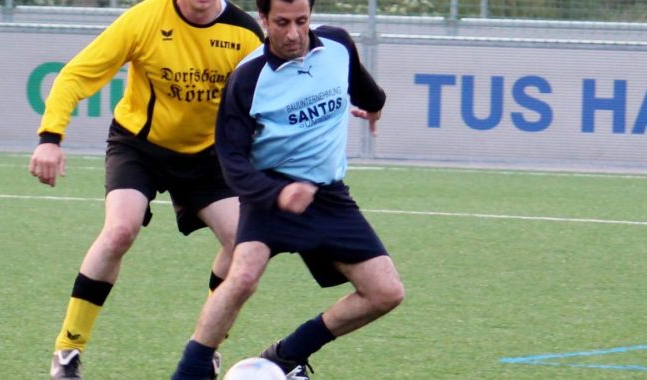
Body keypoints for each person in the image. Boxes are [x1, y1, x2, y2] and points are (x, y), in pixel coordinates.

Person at [27, 0, 263, 378]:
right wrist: (50, 137)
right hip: (139, 146)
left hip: (207, 155)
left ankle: (207, 346)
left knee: (243, 243)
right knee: (121, 229)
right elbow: (75, 75)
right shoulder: (145, 18)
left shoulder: (245, 33)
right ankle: (68, 350)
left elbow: (269, 103)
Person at [171, 0, 405, 378]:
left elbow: (367, 91)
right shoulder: (247, 78)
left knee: (386, 293)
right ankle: (192, 369)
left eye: (301, 21)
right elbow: (230, 160)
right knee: (243, 276)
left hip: (328, 196)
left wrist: (375, 107)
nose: (293, 33)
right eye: (281, 22)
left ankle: (287, 355)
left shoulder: (338, 46)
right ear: (263, 19)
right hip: (268, 195)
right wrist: (276, 194)